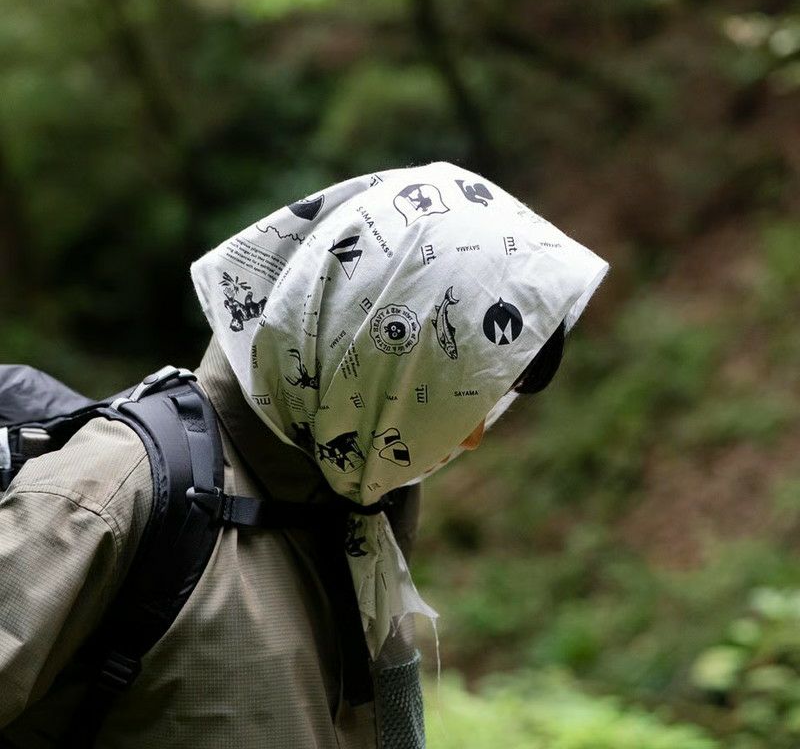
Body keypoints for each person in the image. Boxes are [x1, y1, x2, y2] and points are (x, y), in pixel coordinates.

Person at [0, 161, 607, 748]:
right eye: (458, 394)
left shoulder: (366, 507)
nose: (473, 436)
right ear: (374, 352)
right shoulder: (114, 490)